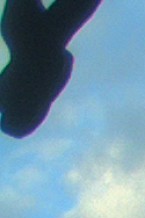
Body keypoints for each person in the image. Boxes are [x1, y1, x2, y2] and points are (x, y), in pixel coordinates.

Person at [0, 0, 103, 138]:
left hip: (31, 36)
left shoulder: (43, 86)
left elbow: (64, 59)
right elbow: (63, 60)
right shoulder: (37, 88)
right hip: (25, 33)